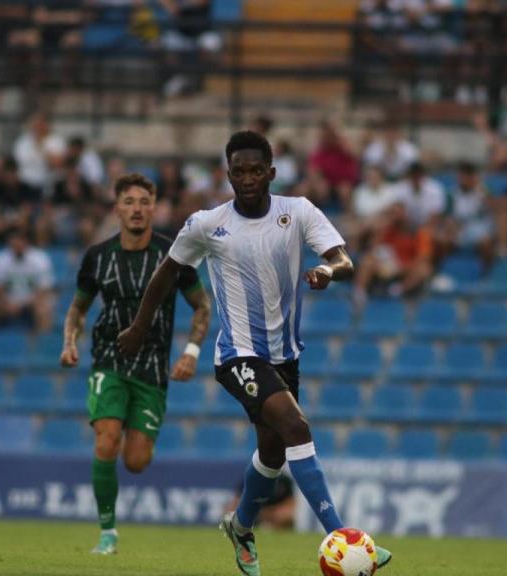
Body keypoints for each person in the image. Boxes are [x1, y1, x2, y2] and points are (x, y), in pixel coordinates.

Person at [117, 131, 393, 575]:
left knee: (273, 453)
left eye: (255, 170)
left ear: (271, 173)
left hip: (285, 356)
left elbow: (345, 261)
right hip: (238, 355)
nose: (247, 178)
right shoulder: (207, 224)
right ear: (228, 175)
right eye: (238, 171)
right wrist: (138, 326)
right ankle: (344, 538)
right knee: (295, 426)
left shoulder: (298, 212)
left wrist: (328, 269)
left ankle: (241, 527)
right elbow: (166, 273)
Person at [60, 173, 211, 556]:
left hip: (152, 370)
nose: (137, 209)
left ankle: (140, 434)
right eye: (129, 202)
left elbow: (202, 306)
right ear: (117, 209)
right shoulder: (98, 256)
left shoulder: (173, 255)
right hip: (109, 360)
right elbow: (78, 309)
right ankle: (107, 533)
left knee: (136, 461)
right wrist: (69, 342)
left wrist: (191, 353)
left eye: (144, 202)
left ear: (154, 208)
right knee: (107, 440)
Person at [0, 228, 55, 335]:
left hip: (31, 303)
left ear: (26, 241)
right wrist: (6, 304)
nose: (17, 243)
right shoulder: (1, 259)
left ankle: (42, 344)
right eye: (14, 240)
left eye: (20, 240)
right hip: (7, 304)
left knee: (43, 310)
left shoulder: (40, 259)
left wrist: (22, 306)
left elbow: (43, 291)